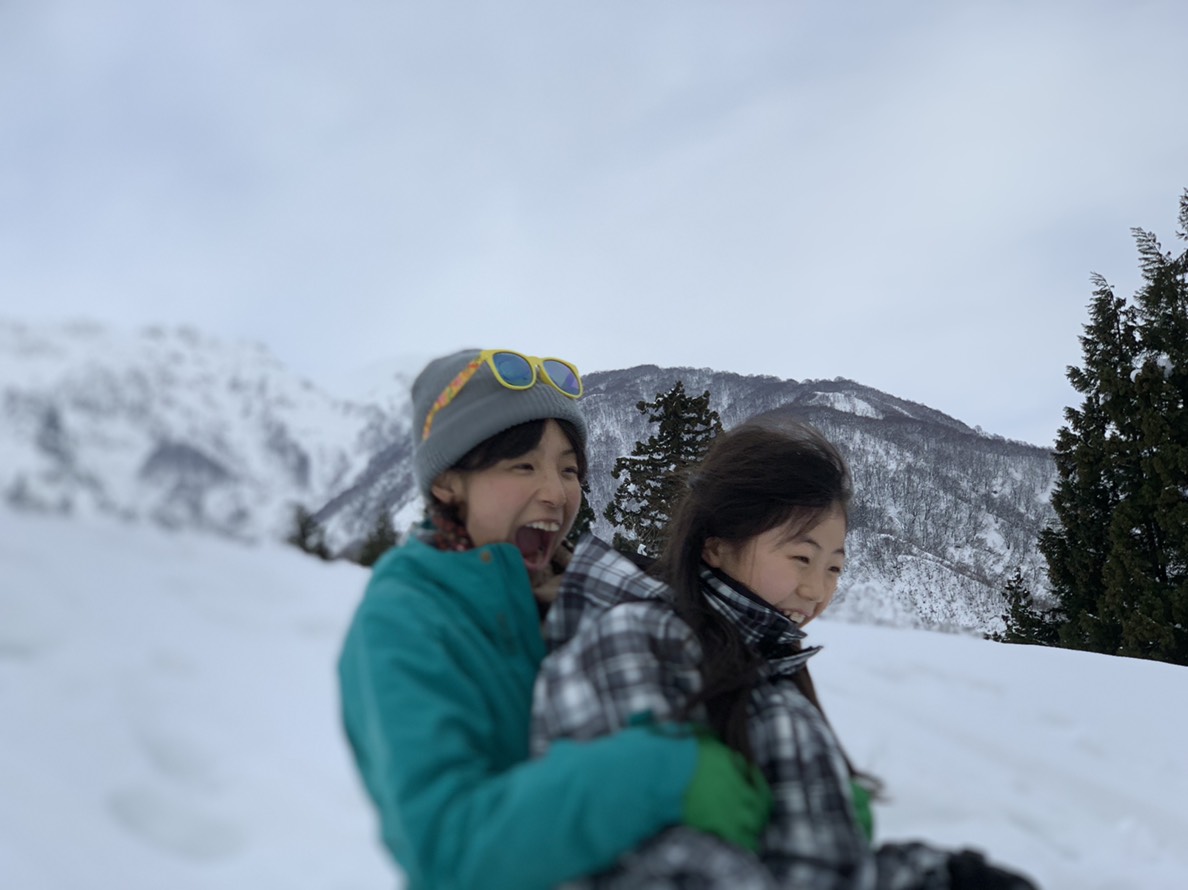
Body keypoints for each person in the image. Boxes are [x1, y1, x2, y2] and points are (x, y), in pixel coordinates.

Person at [533, 420, 1039, 889]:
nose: (816, 590)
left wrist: (935, 876)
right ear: (716, 547)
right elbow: (624, 849)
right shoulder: (640, 641)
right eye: (801, 557)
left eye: (834, 568)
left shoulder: (764, 662)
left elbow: (818, 867)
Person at [337, 348, 772, 890]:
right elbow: (445, 846)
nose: (556, 493)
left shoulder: (602, 592)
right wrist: (661, 774)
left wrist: (796, 785)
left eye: (569, 470)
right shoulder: (405, 620)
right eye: (522, 465)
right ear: (448, 483)